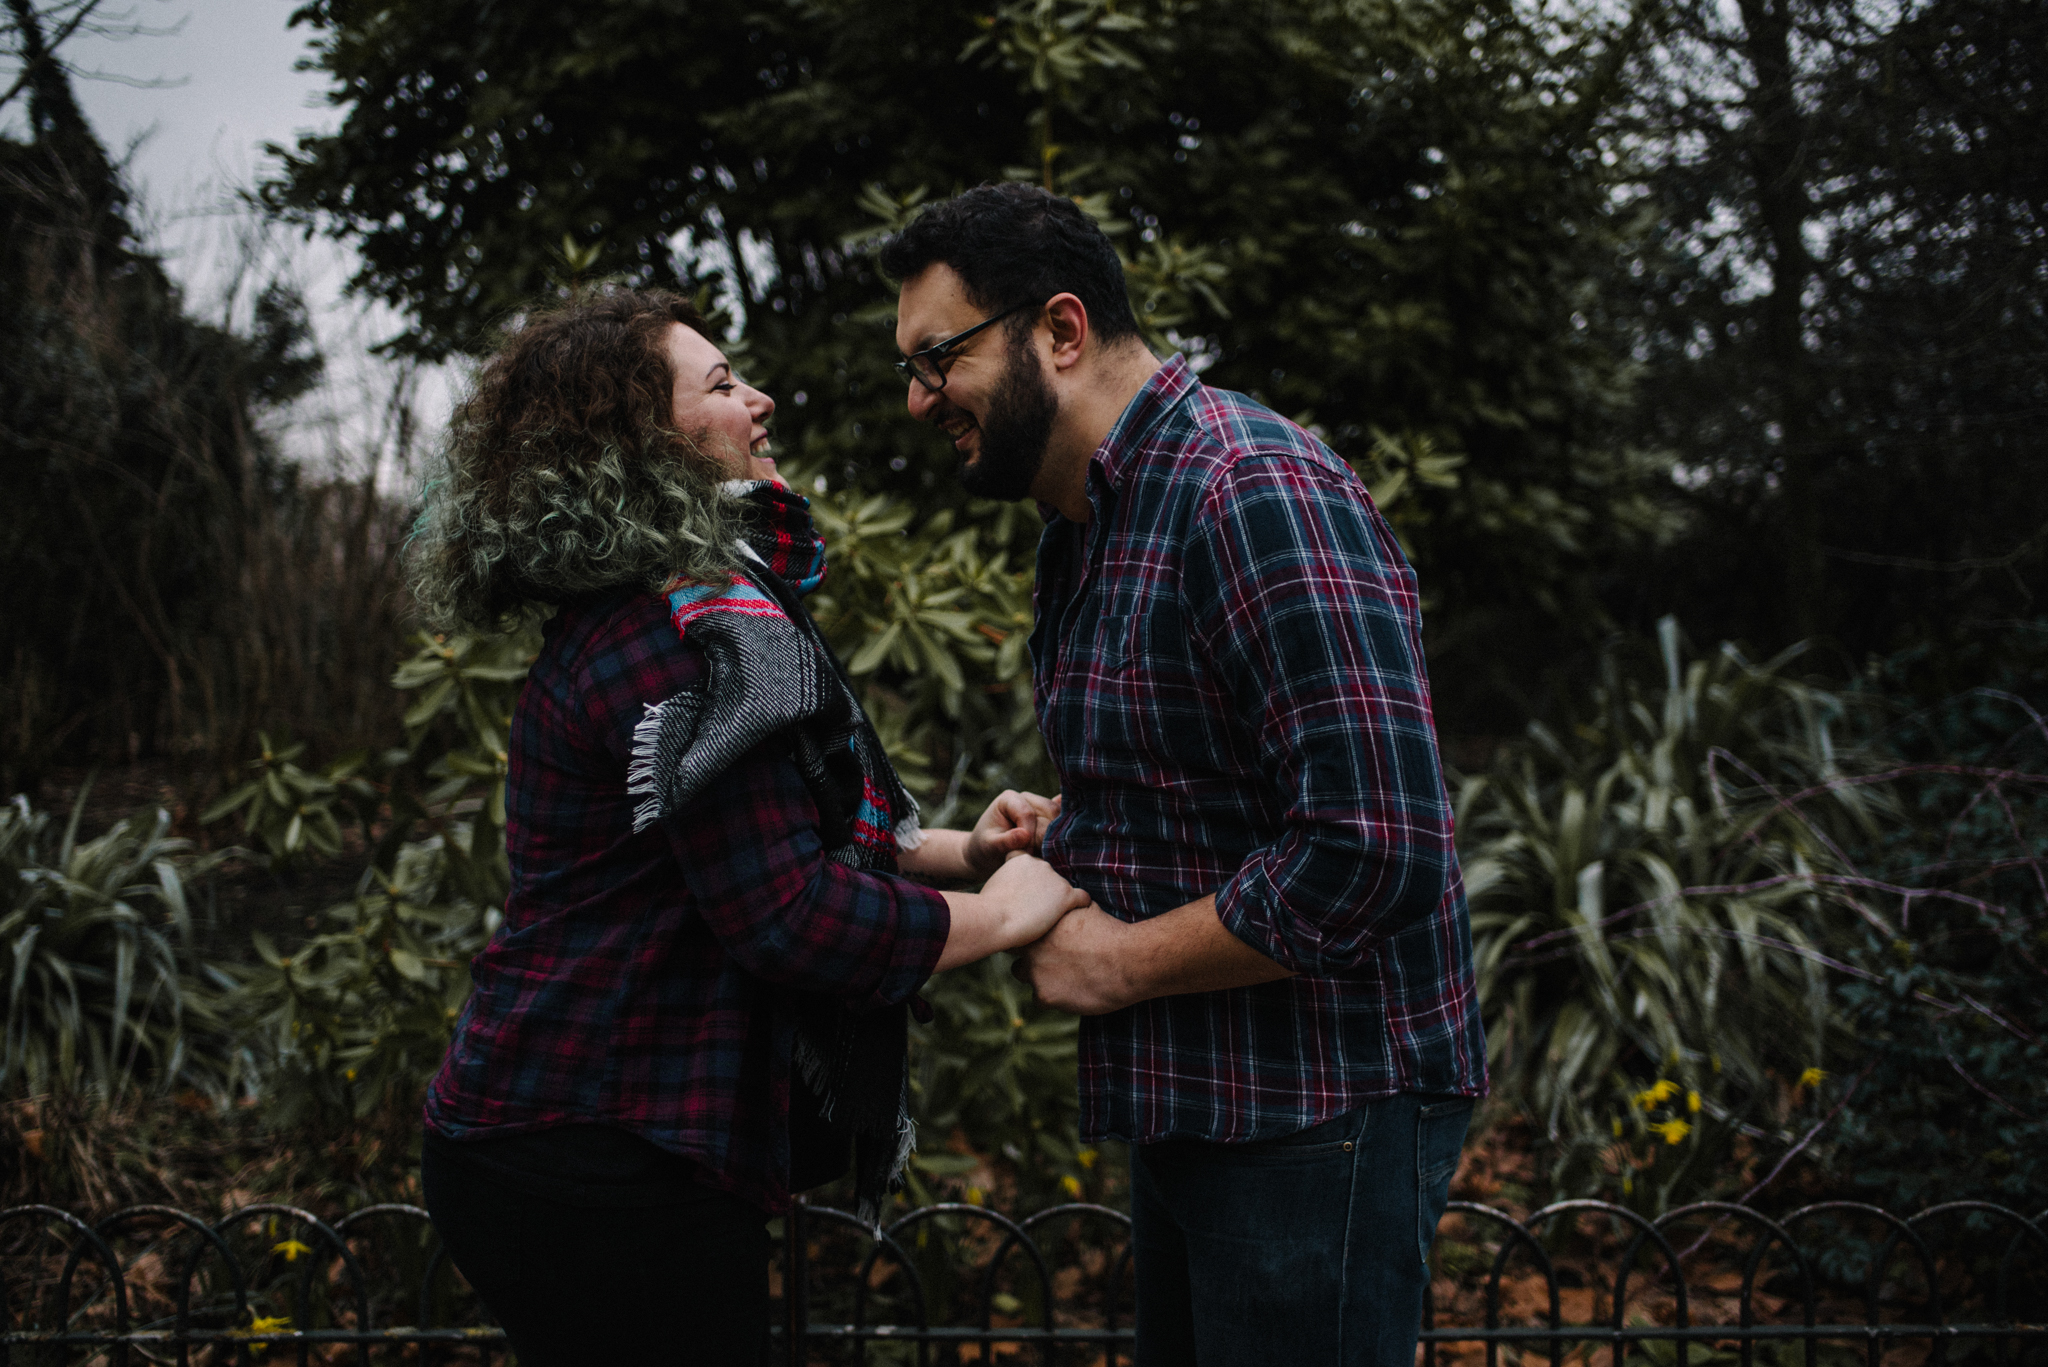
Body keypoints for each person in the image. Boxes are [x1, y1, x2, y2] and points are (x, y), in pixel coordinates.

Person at [406, 286, 1088, 1367]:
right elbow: (788, 914)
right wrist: (1000, 917)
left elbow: (775, 832)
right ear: (636, 444)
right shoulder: (674, 635)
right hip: (586, 1154)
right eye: (721, 384)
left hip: (605, 1143)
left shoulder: (698, 605)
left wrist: (965, 849)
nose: (759, 399)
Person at [881, 184, 1488, 1366]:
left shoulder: (1246, 488)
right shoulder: (1086, 525)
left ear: (1059, 331)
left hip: (1318, 1112)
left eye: (936, 356)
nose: (916, 399)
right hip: (1203, 1100)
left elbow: (1375, 845)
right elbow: (1228, 784)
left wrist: (1111, 960)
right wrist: (1079, 831)